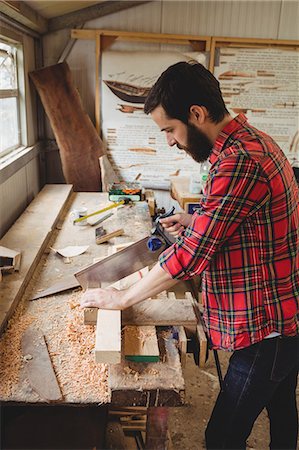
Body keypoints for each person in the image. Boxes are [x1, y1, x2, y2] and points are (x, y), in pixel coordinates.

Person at [80, 61, 299, 449]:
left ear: (197, 114)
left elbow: (192, 257)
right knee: (281, 410)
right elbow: (238, 215)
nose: (169, 141)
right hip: (282, 313)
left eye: (169, 129)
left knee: (222, 435)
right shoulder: (246, 141)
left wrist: (122, 298)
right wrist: (196, 217)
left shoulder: (239, 161)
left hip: (268, 328)